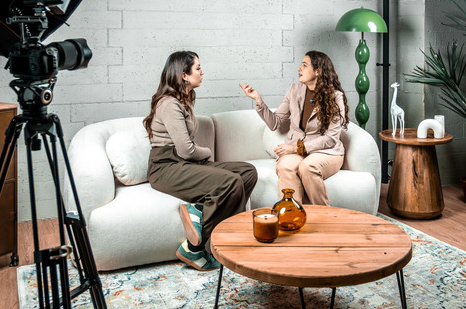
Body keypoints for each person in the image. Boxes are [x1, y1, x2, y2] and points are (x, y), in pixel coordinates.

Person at [144, 51, 257, 271]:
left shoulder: (184, 100)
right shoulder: (168, 103)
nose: (202, 72)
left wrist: (201, 156)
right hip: (166, 167)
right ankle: (195, 249)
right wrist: (205, 152)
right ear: (184, 75)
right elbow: (186, 150)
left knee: (248, 172)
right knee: (230, 182)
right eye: (198, 68)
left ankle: (199, 210)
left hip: (184, 164)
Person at [240, 50, 349, 206]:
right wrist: (258, 101)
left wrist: (295, 148)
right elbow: (275, 123)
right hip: (299, 151)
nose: (299, 68)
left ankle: (325, 215)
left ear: (318, 71)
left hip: (326, 152)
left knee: (308, 167)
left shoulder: (335, 97)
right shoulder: (294, 90)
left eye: (304, 65)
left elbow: (331, 139)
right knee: (284, 166)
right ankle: (294, 215)